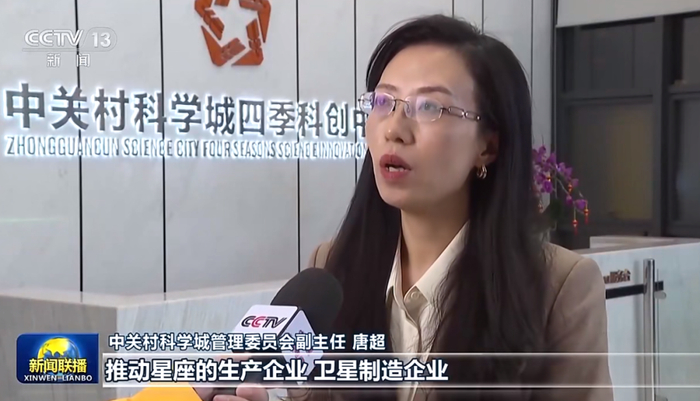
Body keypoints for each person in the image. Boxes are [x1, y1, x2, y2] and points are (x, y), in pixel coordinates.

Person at [113, 14, 613, 401]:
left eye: (429, 107)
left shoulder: (558, 288)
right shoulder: (332, 269)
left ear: (488, 145)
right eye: (383, 102)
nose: (394, 128)